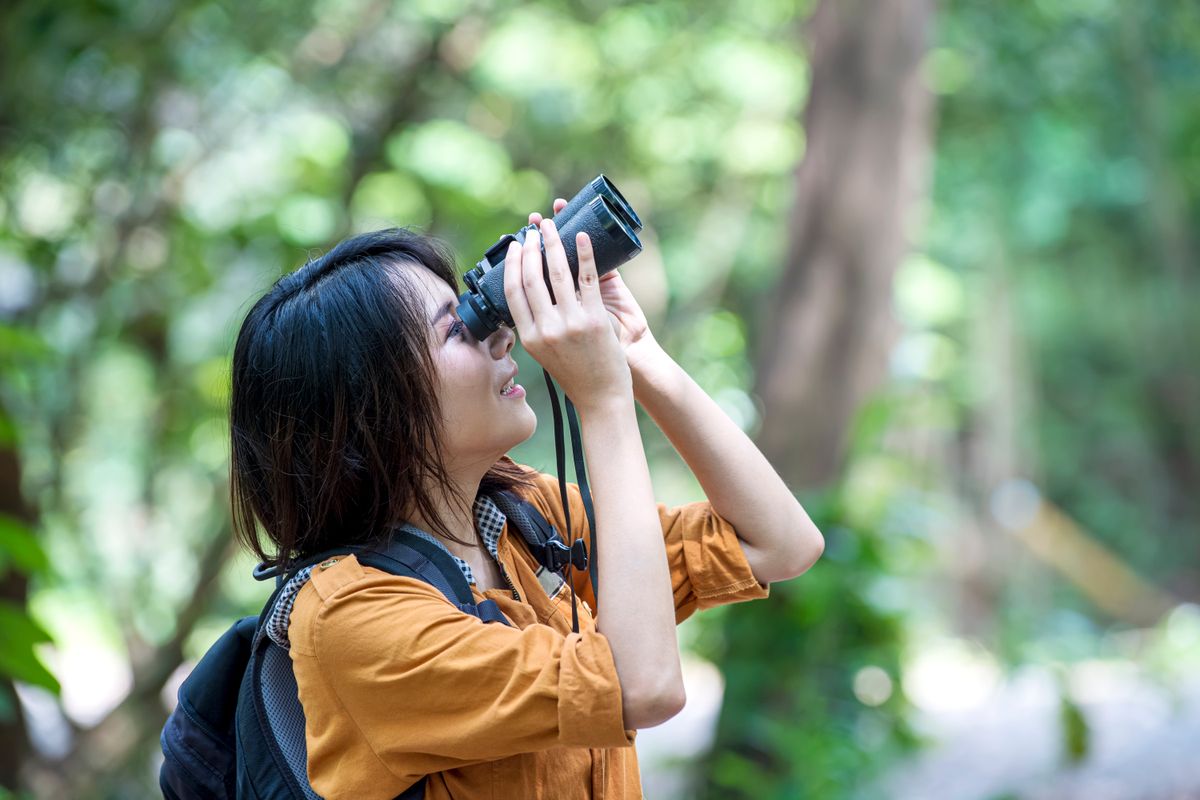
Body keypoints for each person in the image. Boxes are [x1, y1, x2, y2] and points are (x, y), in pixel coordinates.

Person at [227, 200, 825, 799]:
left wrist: (637, 351)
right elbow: (643, 688)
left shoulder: (523, 518)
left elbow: (779, 542)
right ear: (372, 412)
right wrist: (603, 401)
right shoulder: (353, 617)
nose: (500, 334)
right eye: (458, 328)